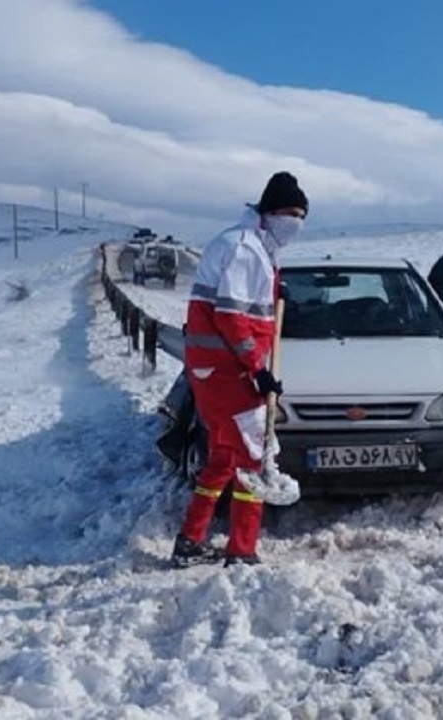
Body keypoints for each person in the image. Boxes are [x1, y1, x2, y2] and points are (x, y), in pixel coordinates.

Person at [172, 171, 308, 568]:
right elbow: (231, 317)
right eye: (289, 212)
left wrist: (274, 288)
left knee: (224, 460)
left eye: (301, 215)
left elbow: (245, 303)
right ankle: (242, 550)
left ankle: (190, 539)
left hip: (216, 370)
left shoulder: (255, 246)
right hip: (226, 370)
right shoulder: (245, 247)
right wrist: (256, 368)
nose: (295, 222)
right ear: (268, 211)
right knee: (253, 461)